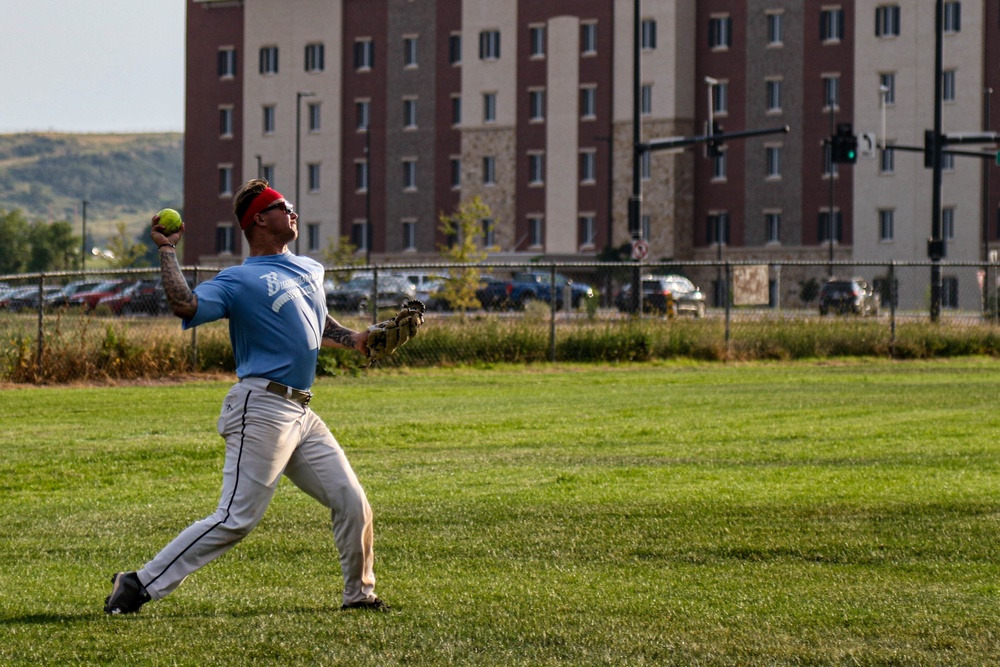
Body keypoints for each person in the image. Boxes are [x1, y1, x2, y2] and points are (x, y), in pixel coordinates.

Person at [104, 179, 388, 614]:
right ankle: (138, 583)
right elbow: (186, 304)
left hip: (302, 411)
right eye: (282, 206)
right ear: (259, 218)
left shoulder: (309, 269)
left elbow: (318, 322)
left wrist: (359, 340)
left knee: (352, 500)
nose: (292, 211)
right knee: (236, 518)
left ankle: (359, 596)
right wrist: (166, 250)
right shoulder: (237, 279)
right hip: (262, 406)